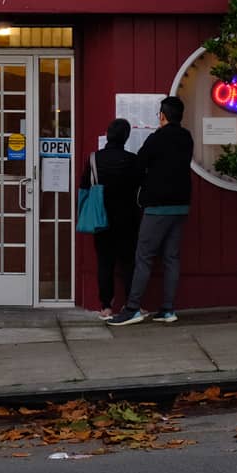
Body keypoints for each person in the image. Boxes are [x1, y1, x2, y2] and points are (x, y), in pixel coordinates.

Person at [110, 96, 194, 327]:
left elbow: (139, 165)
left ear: (163, 115)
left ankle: (132, 308)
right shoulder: (187, 137)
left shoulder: (157, 138)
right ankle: (168, 309)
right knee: (171, 257)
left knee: (144, 257)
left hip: (158, 206)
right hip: (181, 204)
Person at [85, 120, 142, 317]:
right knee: (129, 262)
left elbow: (84, 186)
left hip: (101, 217)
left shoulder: (94, 159)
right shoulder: (133, 160)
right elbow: (140, 185)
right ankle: (131, 304)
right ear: (126, 137)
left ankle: (106, 306)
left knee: (104, 262)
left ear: (107, 135)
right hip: (128, 218)